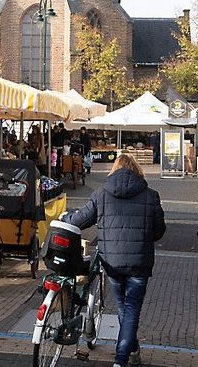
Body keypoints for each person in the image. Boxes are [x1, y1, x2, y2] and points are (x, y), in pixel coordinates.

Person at [62, 153, 166, 367]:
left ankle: (133, 350)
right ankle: (121, 359)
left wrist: (65, 218)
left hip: (111, 262)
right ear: (137, 170)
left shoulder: (101, 193)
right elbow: (158, 232)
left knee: (123, 307)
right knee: (131, 310)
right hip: (139, 264)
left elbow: (81, 220)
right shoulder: (151, 195)